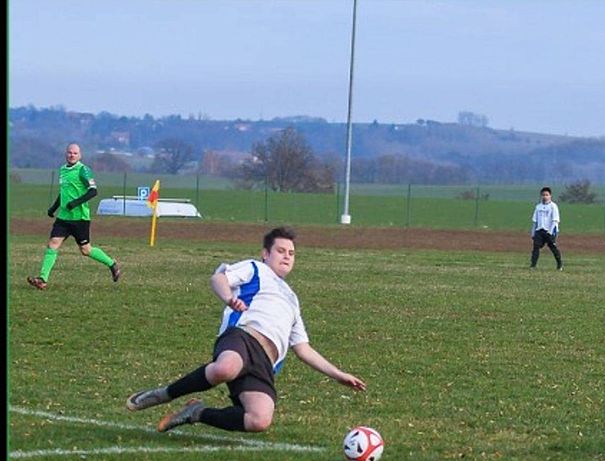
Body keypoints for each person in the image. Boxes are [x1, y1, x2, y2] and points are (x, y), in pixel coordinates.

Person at [126, 226, 366, 433]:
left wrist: (338, 374)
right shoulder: (255, 268)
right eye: (281, 251)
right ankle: (164, 394)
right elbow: (218, 279)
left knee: (259, 420)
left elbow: (303, 349)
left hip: (265, 362)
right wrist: (230, 299)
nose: (287, 257)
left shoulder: (293, 300)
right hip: (242, 336)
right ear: (265, 254)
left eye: (291, 253)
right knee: (226, 368)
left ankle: (197, 413)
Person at [27, 143, 121, 290]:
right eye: (70, 152)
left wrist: (75, 203)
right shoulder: (63, 170)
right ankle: (42, 279)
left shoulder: (83, 170)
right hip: (63, 218)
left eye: (75, 153)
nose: (72, 155)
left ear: (80, 155)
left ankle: (112, 263)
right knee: (52, 244)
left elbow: (93, 191)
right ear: (66, 154)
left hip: (79, 218)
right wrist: (54, 208)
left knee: (86, 250)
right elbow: (63, 192)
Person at [530, 186, 563, 270]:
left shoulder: (553, 206)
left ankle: (559, 265)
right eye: (543, 195)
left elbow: (555, 220)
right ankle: (533, 265)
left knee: (552, 247)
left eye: (547, 195)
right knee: (536, 247)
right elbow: (535, 221)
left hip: (550, 231)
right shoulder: (538, 207)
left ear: (550, 196)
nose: (545, 196)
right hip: (539, 230)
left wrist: (551, 232)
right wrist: (533, 232)